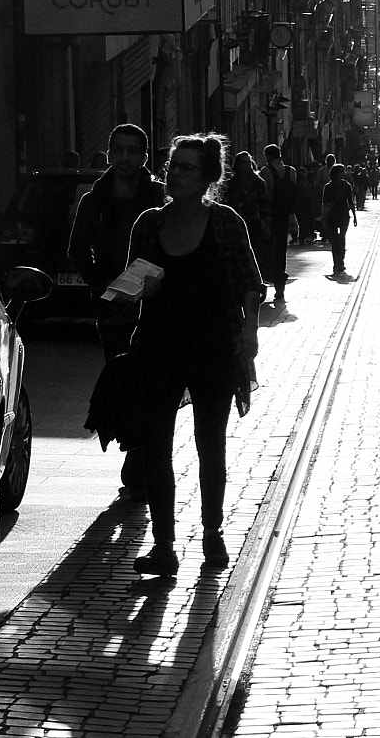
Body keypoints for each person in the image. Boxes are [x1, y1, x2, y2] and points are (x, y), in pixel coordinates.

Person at [124, 133, 264, 577]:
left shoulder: (224, 222)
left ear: (207, 176)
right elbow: (132, 283)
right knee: (155, 447)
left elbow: (249, 282)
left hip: (214, 348)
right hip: (159, 346)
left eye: (186, 167)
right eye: (172, 165)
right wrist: (135, 290)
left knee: (211, 444)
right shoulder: (148, 224)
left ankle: (212, 533)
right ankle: (164, 546)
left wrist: (249, 332)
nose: (175, 174)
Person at [67, 123, 165, 500]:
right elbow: (77, 248)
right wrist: (100, 285)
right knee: (122, 378)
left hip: (154, 307)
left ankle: (143, 452)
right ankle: (133, 447)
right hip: (112, 309)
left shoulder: (159, 198)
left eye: (132, 151)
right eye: (118, 151)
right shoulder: (95, 200)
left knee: (152, 380)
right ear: (109, 155)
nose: (124, 159)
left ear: (143, 156)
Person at [224, 151, 275, 301]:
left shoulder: (259, 182)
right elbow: (227, 203)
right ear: (237, 165)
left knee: (255, 254)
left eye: (248, 162)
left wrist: (266, 225)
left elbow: (265, 205)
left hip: (254, 224)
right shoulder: (231, 184)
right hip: (236, 224)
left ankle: (256, 285)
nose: (245, 165)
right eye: (242, 162)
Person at [259, 144, 296, 300]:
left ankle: (268, 279)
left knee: (267, 250)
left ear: (268, 156)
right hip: (285, 215)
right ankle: (280, 286)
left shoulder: (266, 172)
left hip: (270, 216)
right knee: (281, 251)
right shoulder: (292, 171)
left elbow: (264, 194)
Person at [322, 164, 358, 276]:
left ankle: (339, 262)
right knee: (338, 239)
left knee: (339, 239)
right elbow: (325, 204)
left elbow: (350, 202)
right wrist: (323, 218)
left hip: (339, 216)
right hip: (338, 215)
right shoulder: (345, 186)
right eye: (342, 172)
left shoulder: (330, 186)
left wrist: (355, 216)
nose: (344, 174)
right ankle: (338, 262)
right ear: (337, 173)